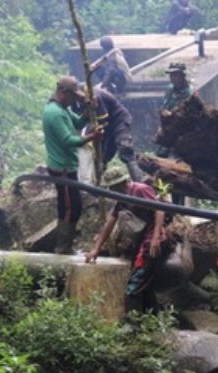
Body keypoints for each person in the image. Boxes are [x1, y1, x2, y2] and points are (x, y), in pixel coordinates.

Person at [85, 167, 170, 314]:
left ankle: (132, 325)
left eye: (113, 187)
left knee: (134, 286)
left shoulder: (140, 190)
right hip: (141, 240)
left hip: (151, 241)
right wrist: (96, 248)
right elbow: (109, 223)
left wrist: (156, 238)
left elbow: (159, 210)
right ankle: (152, 320)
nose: (111, 190)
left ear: (122, 183)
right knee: (145, 285)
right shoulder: (121, 199)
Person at [42, 76, 103, 254]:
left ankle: (65, 245)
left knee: (70, 205)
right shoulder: (55, 113)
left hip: (67, 166)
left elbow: (77, 123)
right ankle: (62, 247)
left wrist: (87, 111)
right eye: (73, 96)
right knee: (71, 207)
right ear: (63, 93)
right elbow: (68, 140)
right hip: (62, 168)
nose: (75, 99)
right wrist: (91, 137)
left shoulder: (63, 109)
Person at [73, 86, 140, 181]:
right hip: (101, 126)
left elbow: (102, 121)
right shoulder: (74, 101)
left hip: (117, 121)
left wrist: (93, 136)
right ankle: (99, 184)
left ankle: (139, 182)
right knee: (101, 157)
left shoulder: (95, 96)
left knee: (125, 148)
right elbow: (80, 120)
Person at [157, 62, 194, 204]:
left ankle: (179, 206)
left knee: (178, 171)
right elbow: (164, 107)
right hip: (167, 135)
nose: (172, 77)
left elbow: (186, 117)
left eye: (175, 74)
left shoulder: (189, 93)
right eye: (171, 74)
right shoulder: (170, 90)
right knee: (162, 167)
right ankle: (166, 200)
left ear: (182, 75)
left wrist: (171, 116)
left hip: (181, 137)